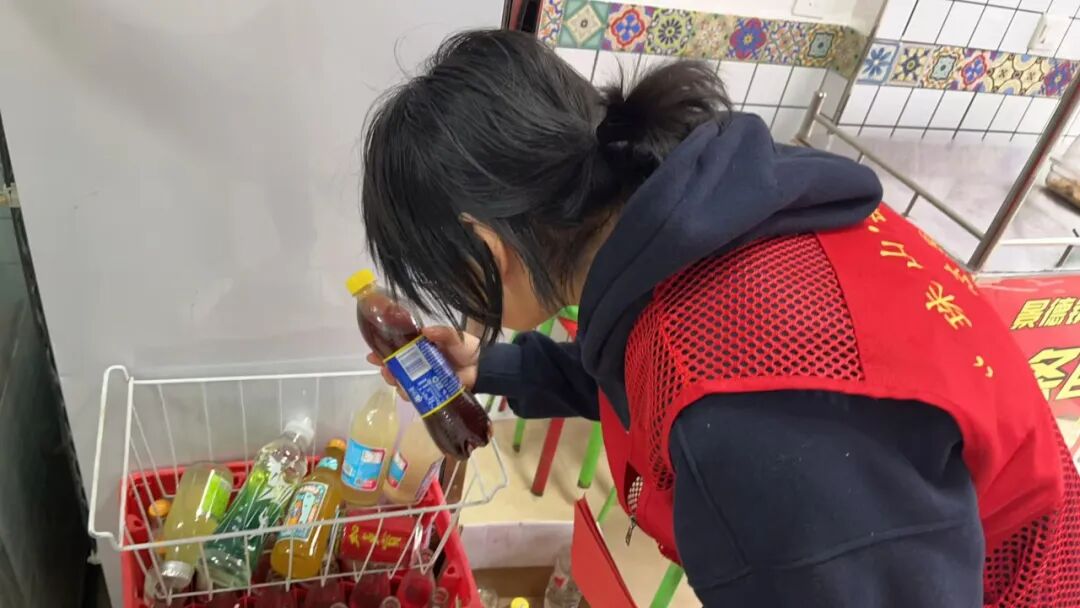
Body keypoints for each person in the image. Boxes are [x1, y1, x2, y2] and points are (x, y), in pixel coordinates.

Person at [360, 29, 1079, 607]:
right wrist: (492, 366)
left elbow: (709, 388)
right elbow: (649, 370)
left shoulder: (743, 423)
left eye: (445, 277)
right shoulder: (723, 213)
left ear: (488, 249)